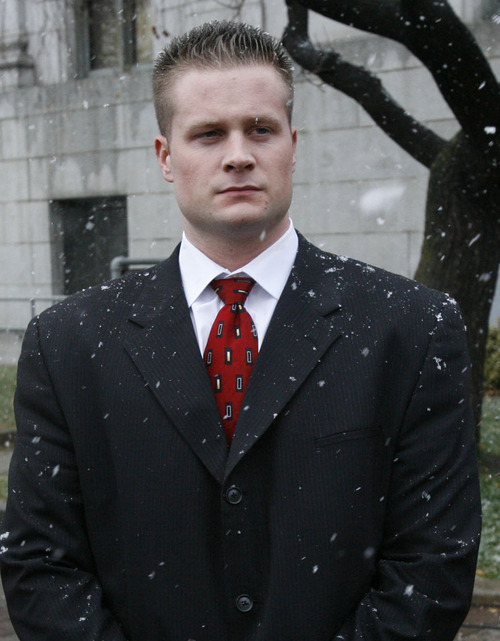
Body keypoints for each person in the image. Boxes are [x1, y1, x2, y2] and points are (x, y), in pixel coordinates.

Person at [1, 20, 480, 641]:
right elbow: (41, 568)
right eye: (207, 133)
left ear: (292, 144)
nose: (238, 154)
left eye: (261, 128)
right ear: (165, 157)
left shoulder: (411, 330)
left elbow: (432, 567)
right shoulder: (66, 345)